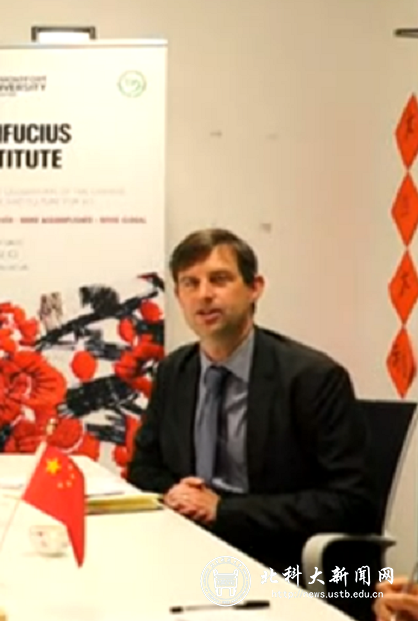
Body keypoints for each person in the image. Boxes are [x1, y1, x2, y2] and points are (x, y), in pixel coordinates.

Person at [128, 228, 376, 582]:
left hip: (278, 559)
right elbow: (143, 468)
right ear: (179, 296)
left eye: (219, 279)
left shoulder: (313, 378)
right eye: (190, 283)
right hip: (185, 548)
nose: (204, 295)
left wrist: (225, 511)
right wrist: (176, 493)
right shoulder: (174, 371)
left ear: (254, 288)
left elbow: (351, 503)